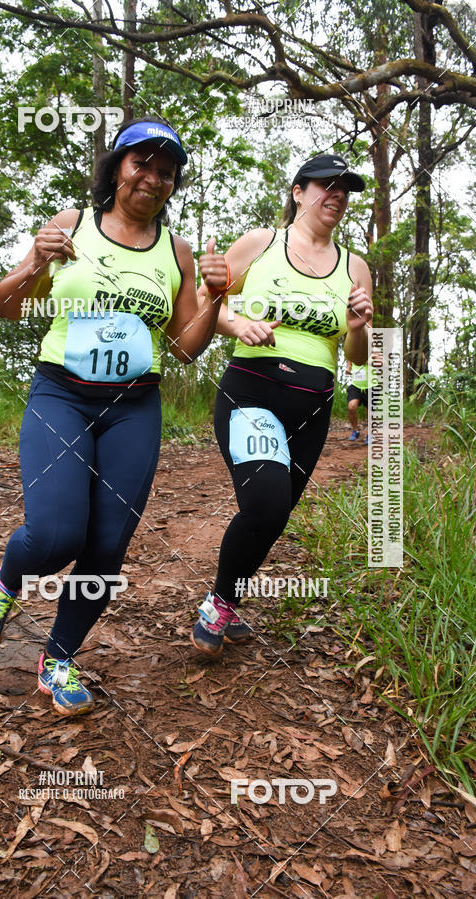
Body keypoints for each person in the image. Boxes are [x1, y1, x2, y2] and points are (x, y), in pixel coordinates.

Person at [0, 117, 227, 714]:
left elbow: (186, 346)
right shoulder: (71, 226)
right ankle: (6, 582)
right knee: (57, 533)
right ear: (116, 168)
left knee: (107, 546)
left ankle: (58, 658)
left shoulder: (177, 251)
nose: (153, 178)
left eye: (167, 171)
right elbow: (8, 306)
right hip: (62, 394)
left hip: (134, 405)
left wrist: (217, 298)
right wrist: (34, 258)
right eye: (142, 163)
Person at [191, 153, 373, 656]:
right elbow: (214, 302)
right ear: (298, 192)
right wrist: (238, 324)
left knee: (275, 515)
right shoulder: (260, 243)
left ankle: (223, 599)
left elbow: (356, 356)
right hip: (252, 392)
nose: (336, 195)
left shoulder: (355, 266)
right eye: (325, 186)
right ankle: (219, 606)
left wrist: (359, 328)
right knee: (266, 502)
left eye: (345, 189)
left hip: (314, 407)